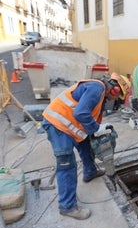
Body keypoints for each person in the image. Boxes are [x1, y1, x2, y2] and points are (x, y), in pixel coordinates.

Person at [42, 72, 130, 220]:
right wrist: (96, 128)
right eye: (118, 96)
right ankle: (67, 207)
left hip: (70, 126)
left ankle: (90, 172)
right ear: (115, 90)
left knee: (86, 146)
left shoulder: (100, 94)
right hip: (58, 125)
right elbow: (81, 113)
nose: (116, 100)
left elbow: (90, 115)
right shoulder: (97, 89)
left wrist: (99, 127)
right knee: (67, 166)